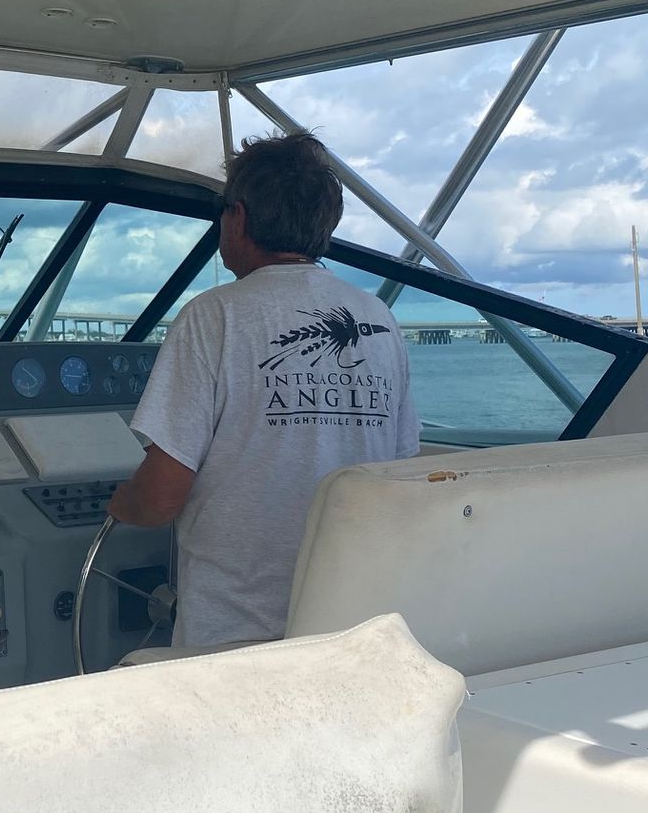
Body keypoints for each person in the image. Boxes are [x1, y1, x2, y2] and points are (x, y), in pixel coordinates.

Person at [107, 132, 417, 648]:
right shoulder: (379, 320)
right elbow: (400, 475)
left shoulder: (213, 316)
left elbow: (159, 498)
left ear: (239, 218)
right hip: (351, 630)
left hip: (235, 641)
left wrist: (119, 504)